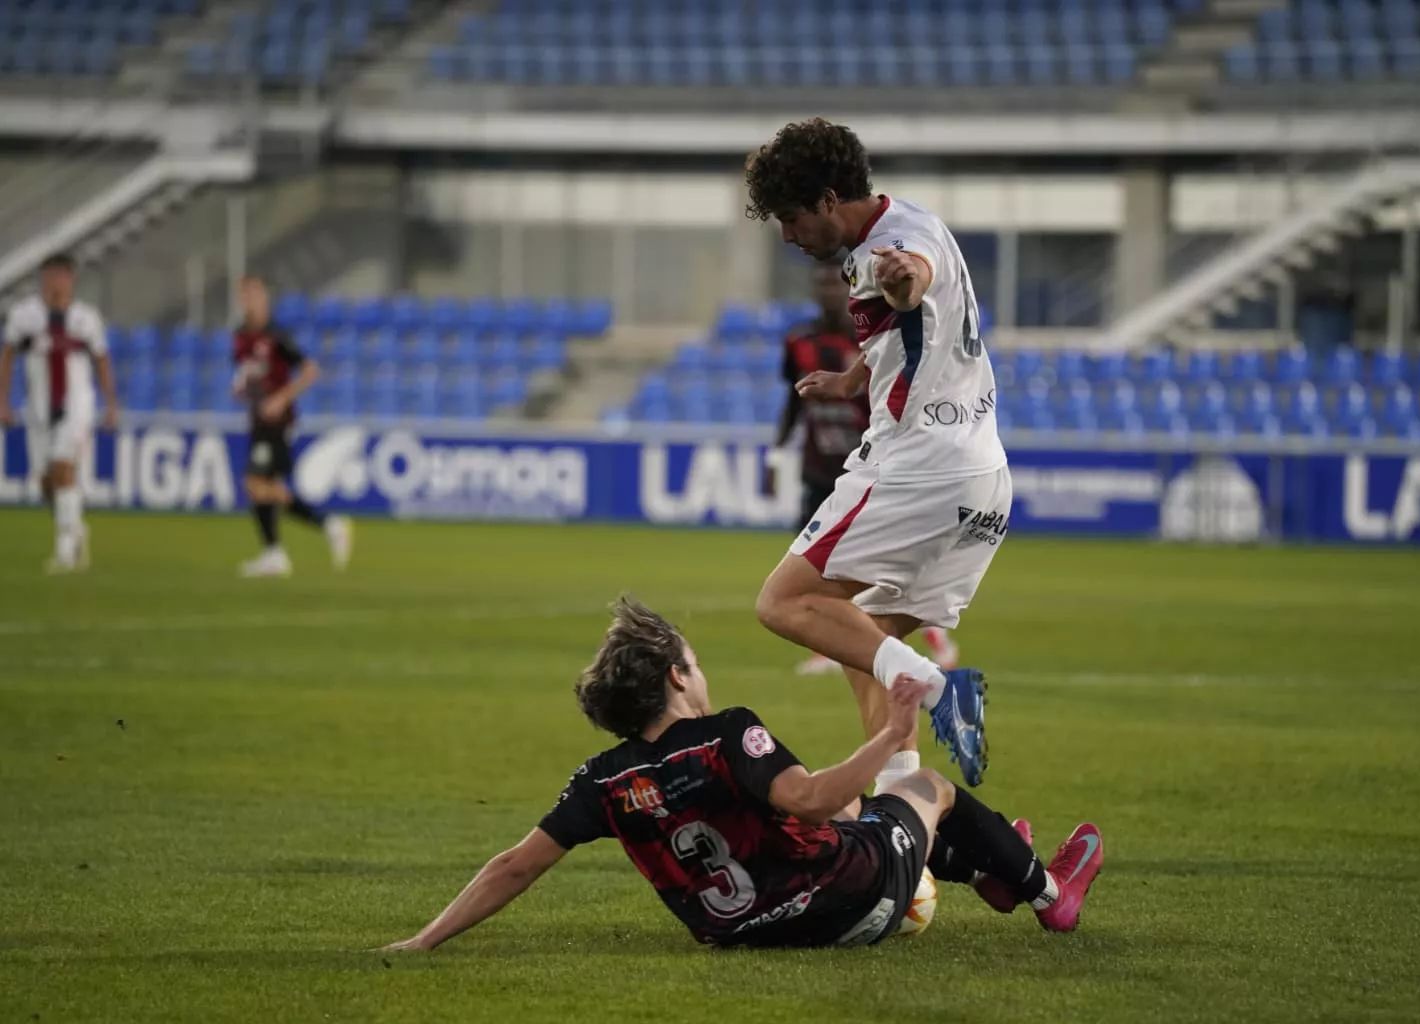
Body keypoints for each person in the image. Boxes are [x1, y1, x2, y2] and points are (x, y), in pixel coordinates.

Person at [379, 599, 1102, 953]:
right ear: (677, 675)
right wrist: (892, 733)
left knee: (855, 798)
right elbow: (811, 802)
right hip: (851, 904)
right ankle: (1047, 891)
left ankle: (990, 873)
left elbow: (513, 866)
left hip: (744, 932)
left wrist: (422, 940)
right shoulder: (728, 733)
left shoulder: (603, 781)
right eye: (693, 658)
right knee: (925, 791)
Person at [744, 118, 1008, 790]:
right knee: (861, 643)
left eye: (792, 218)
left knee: (782, 603)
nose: (788, 236)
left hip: (917, 467)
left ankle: (936, 685)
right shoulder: (914, 220)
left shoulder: (895, 246)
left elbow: (908, 283)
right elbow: (910, 324)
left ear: (829, 200)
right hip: (983, 479)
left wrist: (902, 279)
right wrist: (852, 379)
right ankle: (905, 812)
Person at [774, 259, 960, 677]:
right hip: (819, 470)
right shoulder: (798, 341)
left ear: (848, 289)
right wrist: (776, 453)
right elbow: (792, 400)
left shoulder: (870, 340)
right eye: (820, 283)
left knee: (872, 567)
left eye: (834, 284)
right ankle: (830, 646)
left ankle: (932, 640)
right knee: (815, 566)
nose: (827, 291)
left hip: (868, 470)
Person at [0, 252, 118, 573]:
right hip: (38, 408)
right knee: (45, 483)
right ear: (42, 277)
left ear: (71, 279)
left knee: (63, 465)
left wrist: (111, 404)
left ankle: (66, 548)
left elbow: (102, 360)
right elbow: (8, 355)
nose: (56, 281)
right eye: (51, 274)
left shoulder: (86, 319)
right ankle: (75, 528)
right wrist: (3, 401)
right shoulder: (24, 316)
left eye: (62, 275)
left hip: (76, 405)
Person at [233, 276, 352, 578]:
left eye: (254, 295)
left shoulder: (277, 335)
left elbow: (311, 370)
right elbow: (249, 374)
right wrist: (242, 388)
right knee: (263, 489)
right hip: (257, 419)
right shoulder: (241, 335)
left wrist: (280, 399)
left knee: (255, 483)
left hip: (278, 423)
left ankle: (326, 526)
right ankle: (277, 552)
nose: (249, 301)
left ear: (265, 299)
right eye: (244, 296)